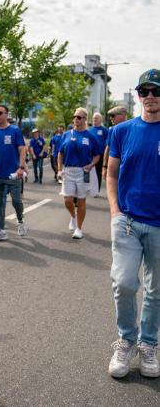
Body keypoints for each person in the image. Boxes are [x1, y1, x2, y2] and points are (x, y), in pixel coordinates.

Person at [106, 69, 160, 379]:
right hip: (126, 221)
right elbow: (111, 174)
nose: (150, 96)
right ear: (138, 96)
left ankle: (148, 345)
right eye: (144, 91)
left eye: (156, 91)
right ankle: (126, 340)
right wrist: (114, 210)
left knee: (156, 290)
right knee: (124, 283)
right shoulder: (122, 131)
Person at [57, 108, 101, 239]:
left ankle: (79, 229)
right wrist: (59, 169)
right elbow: (60, 153)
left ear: (85, 119)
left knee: (81, 200)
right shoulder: (66, 135)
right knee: (67, 200)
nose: (76, 119)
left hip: (83, 171)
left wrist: (92, 164)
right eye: (75, 116)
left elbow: (97, 155)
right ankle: (73, 216)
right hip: (68, 171)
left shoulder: (90, 136)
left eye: (79, 117)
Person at [0, 104, 28, 241]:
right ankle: (0, 230)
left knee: (16, 201)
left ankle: (20, 220)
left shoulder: (15, 130)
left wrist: (21, 167)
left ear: (6, 115)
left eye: (0, 113)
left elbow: (22, 149)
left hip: (13, 173)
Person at [102, 105, 128, 181]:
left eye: (113, 116)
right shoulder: (112, 130)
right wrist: (104, 167)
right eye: (110, 116)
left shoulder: (132, 128)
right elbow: (108, 149)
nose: (111, 118)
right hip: (115, 165)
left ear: (122, 116)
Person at [88, 112, 108, 196]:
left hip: (100, 155)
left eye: (96, 118)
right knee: (89, 172)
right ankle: (89, 188)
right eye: (93, 118)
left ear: (100, 119)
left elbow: (108, 143)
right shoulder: (89, 129)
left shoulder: (104, 130)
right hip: (90, 154)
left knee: (98, 172)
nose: (94, 119)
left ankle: (96, 191)